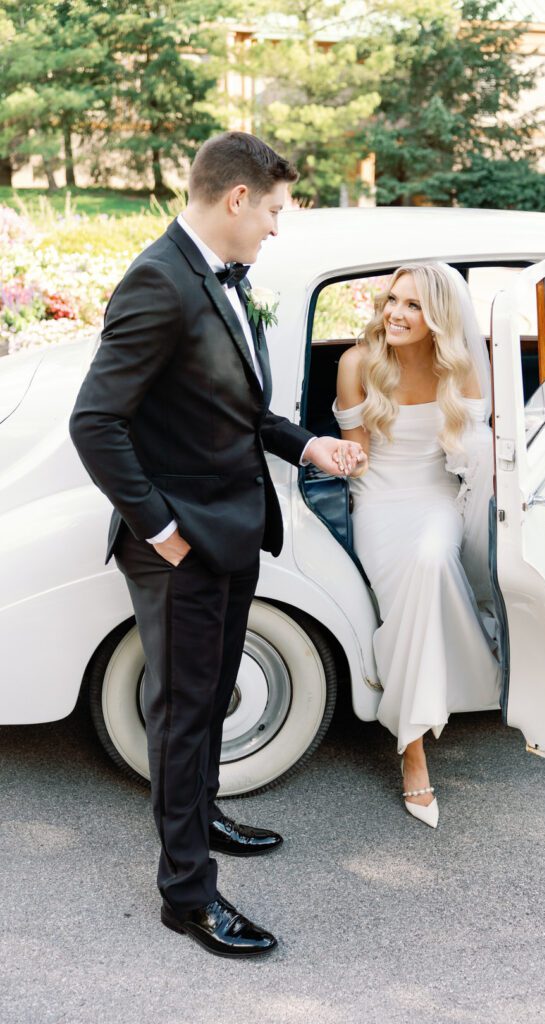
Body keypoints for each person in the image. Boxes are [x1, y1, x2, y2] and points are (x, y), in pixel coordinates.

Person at [69, 131, 364, 958]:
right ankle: (188, 896)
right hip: (183, 544)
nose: (276, 227)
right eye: (272, 209)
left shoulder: (218, 278)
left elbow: (230, 410)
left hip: (230, 532)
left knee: (207, 699)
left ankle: (202, 818)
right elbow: (95, 423)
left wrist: (307, 445)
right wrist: (159, 530)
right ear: (237, 199)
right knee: (185, 714)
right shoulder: (159, 280)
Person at [334, 262, 500, 829]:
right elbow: (356, 457)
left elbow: (471, 459)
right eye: (392, 301)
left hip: (434, 498)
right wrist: (342, 454)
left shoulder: (461, 369)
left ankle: (412, 745)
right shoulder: (357, 363)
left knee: (431, 559)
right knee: (409, 579)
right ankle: (413, 748)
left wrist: (472, 453)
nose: (396, 314)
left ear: (439, 319)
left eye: (413, 306)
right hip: (378, 500)